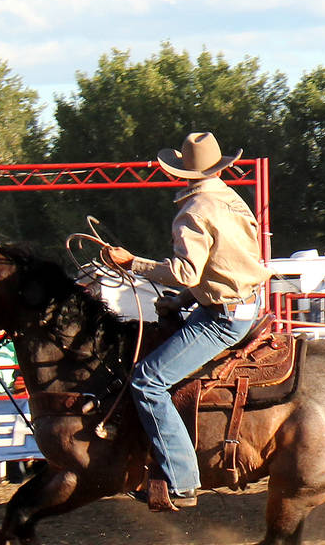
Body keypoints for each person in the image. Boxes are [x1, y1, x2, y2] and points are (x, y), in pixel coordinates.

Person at [98, 132, 271, 511]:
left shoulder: (193, 210)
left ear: (182, 171)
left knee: (146, 381)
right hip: (243, 302)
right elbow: (225, 263)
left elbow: (187, 272)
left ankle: (180, 479)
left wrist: (133, 264)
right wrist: (181, 301)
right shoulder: (231, 200)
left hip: (222, 316)